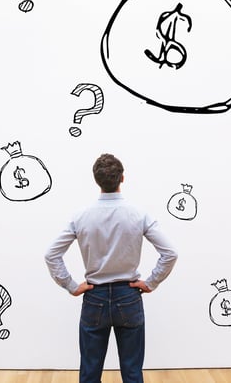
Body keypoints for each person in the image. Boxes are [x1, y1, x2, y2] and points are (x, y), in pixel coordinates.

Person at [44, 153, 178, 383]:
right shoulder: (138, 214)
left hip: (94, 297)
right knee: (133, 372)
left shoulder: (81, 216)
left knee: (89, 372)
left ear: (96, 180)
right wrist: (151, 282)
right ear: (122, 178)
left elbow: (51, 254)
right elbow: (170, 252)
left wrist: (71, 286)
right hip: (129, 296)